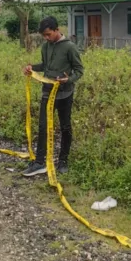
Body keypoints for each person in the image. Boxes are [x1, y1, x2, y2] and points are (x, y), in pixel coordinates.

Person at [22, 16, 84, 177]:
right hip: (47, 92)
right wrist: (32, 68)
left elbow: (79, 70)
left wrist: (68, 80)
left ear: (57, 30)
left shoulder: (70, 47)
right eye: (44, 35)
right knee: (43, 126)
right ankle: (39, 163)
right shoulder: (45, 47)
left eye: (49, 34)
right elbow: (45, 66)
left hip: (65, 94)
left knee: (65, 127)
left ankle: (63, 161)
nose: (46, 38)